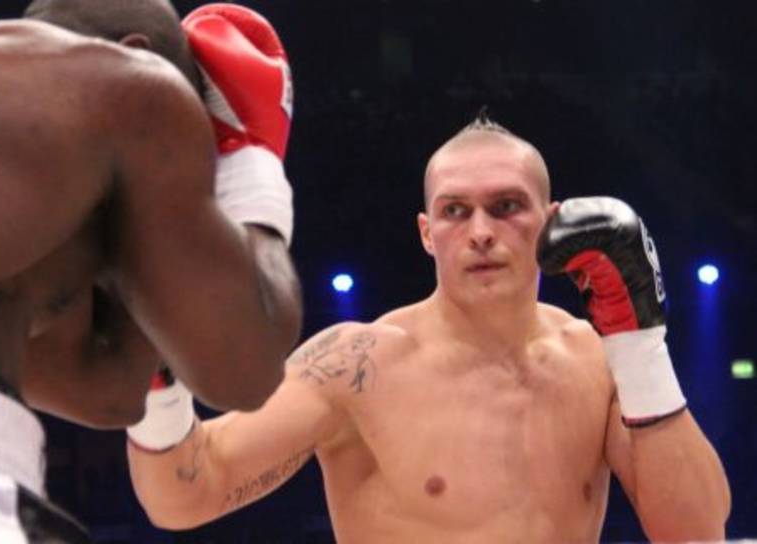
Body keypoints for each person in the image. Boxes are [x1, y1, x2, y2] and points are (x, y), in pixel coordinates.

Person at [127, 117, 731, 542]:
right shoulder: (358, 366)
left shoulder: (596, 362)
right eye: (455, 211)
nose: (481, 232)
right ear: (426, 233)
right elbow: (185, 496)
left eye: (506, 206)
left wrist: (639, 346)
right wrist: (153, 368)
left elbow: (695, 532)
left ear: (549, 222)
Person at [0, 0, 301, 541]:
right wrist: (249, 158)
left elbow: (110, 391)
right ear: (136, 57)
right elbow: (243, 367)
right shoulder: (129, 85)